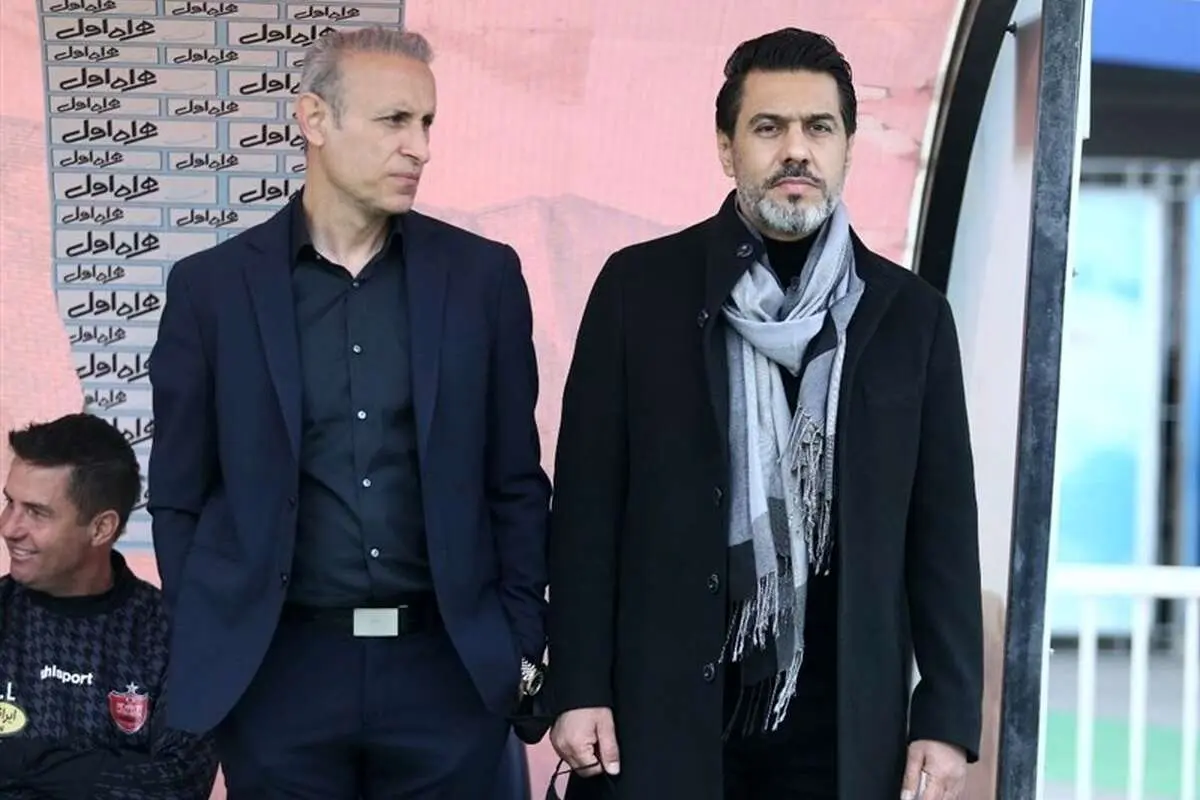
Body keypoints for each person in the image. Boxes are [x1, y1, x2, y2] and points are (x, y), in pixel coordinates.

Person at [547, 28, 983, 800]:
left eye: (820, 128)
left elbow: (942, 530)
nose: (796, 151)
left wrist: (946, 714)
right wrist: (577, 683)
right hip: (664, 716)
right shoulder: (638, 292)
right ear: (727, 148)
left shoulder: (910, 317)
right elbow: (586, 509)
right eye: (768, 127)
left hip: (842, 729)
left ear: (848, 148)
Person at [147, 25, 550, 799]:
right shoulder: (211, 290)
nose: (419, 148)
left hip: (448, 673)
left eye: (427, 123)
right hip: (280, 677)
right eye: (394, 120)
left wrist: (517, 644)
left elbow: (515, 483)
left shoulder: (483, 280)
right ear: (314, 119)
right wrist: (216, 632)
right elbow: (178, 494)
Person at [0, 413, 218, 800]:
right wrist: (107, 769)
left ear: (101, 528)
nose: (9, 527)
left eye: (36, 512)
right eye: (9, 503)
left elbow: (179, 784)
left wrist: (19, 760)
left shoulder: (171, 633)